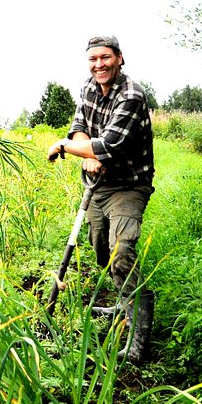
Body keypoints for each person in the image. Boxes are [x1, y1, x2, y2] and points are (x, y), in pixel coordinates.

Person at [47, 36, 155, 363]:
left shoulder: (132, 94)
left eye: (105, 58)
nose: (99, 65)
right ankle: (123, 302)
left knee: (122, 251)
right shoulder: (89, 87)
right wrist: (86, 154)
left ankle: (138, 339)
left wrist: (66, 148)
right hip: (98, 183)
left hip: (128, 184)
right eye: (93, 59)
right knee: (103, 252)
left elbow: (109, 145)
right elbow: (79, 128)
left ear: (120, 58)